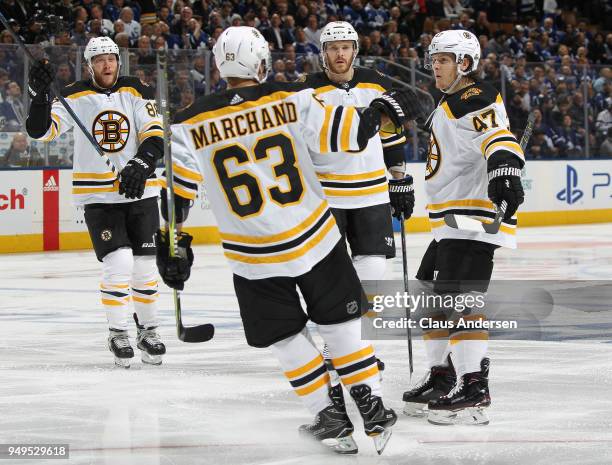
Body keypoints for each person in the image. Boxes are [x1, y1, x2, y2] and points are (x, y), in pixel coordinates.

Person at [158, 26, 424, 454]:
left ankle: (328, 416)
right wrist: (384, 110)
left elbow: (176, 198)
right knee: (340, 326)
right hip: (315, 238)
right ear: (261, 62)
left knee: (284, 336)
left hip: (253, 255)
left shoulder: (188, 123)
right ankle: (371, 409)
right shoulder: (292, 98)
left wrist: (173, 244)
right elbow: (351, 137)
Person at [401, 29, 525, 425]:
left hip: (472, 218)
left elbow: (498, 137)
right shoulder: (450, 102)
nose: (435, 65)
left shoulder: (476, 98)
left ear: (465, 63)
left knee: (460, 304)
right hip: (449, 221)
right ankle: (442, 376)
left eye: (444, 59)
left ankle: (473, 385)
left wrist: (505, 169)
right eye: (434, 58)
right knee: (430, 300)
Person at [24, 37, 166, 369]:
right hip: (99, 197)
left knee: (145, 270)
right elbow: (39, 131)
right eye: (100, 60)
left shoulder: (136, 90)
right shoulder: (74, 95)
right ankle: (118, 333)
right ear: (89, 65)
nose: (107, 65)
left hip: (140, 192)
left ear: (120, 62)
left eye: (112, 59)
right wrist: (39, 96)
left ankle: (149, 331)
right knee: (118, 266)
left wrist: (141, 164)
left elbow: (154, 134)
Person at [302, 21, 416, 376]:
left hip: (370, 193)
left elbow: (392, 133)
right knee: (329, 276)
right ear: (323, 53)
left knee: (372, 274)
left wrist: (399, 179)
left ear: (355, 50)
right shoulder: (306, 90)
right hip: (326, 195)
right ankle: (335, 347)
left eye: (346, 47)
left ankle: (355, 346)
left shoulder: (376, 82)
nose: (340, 54)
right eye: (333, 48)